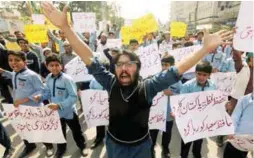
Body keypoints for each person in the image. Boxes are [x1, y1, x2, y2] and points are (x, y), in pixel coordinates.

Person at [41, 2, 233, 157]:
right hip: (114, 146)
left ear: (138, 68)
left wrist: (203, 49)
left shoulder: (148, 87)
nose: (124, 68)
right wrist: (65, 27)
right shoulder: (110, 82)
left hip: (141, 148)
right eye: (119, 65)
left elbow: (177, 69)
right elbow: (88, 56)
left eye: (129, 64)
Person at [0, 51, 54, 158]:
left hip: (33, 109)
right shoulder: (15, 72)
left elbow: (41, 91)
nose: (13, 63)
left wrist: (23, 100)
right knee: (24, 129)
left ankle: (49, 146)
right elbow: (13, 75)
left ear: (25, 62)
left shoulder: (32, 75)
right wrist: (4, 72)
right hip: (20, 109)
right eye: (10, 60)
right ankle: (29, 145)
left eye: (17, 60)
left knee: (40, 129)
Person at [34, 54, 88, 158]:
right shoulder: (49, 78)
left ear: (61, 66)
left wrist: (59, 105)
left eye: (57, 65)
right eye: (51, 65)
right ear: (47, 66)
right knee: (60, 133)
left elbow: (73, 97)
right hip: (56, 113)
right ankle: (61, 149)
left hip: (69, 112)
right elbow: (49, 93)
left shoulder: (67, 79)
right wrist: (40, 97)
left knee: (76, 131)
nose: (54, 68)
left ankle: (82, 146)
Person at [178, 61, 216, 158]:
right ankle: (184, 155)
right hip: (189, 120)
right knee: (186, 142)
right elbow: (181, 103)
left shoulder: (213, 85)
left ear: (209, 75)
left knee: (199, 141)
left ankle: (196, 153)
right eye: (199, 74)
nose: (201, 77)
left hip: (203, 120)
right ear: (195, 73)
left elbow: (214, 101)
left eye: (204, 75)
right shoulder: (187, 86)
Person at [150, 56, 182, 158]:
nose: (164, 67)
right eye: (162, 65)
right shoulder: (156, 77)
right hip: (156, 113)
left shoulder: (177, 81)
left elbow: (181, 96)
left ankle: (165, 149)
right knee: (153, 132)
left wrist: (172, 93)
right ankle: (151, 149)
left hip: (169, 112)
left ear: (172, 65)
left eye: (166, 65)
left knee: (167, 133)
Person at [223, 92, 253, 158]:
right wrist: (232, 131)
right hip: (235, 138)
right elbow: (235, 116)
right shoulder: (244, 99)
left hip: (249, 142)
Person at [89, 78, 106, 149]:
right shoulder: (93, 81)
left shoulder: (111, 79)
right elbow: (90, 92)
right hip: (98, 104)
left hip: (110, 103)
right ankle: (99, 138)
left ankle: (113, 141)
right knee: (99, 122)